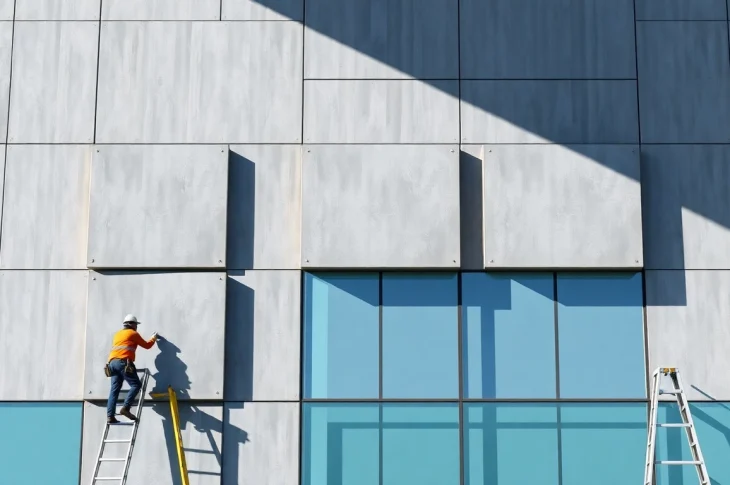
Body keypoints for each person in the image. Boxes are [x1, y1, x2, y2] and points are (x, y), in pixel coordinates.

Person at [106, 314, 159, 424]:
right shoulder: (133, 333)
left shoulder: (117, 334)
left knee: (114, 390)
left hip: (112, 363)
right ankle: (126, 408)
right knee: (136, 385)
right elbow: (147, 345)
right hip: (123, 362)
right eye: (136, 324)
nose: (137, 326)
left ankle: (110, 416)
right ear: (131, 324)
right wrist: (154, 338)